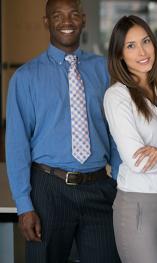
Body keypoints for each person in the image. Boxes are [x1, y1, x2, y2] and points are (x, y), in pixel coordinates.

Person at [5, 0, 120, 262]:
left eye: (73, 15)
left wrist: (119, 185)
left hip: (99, 187)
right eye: (57, 16)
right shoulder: (25, 78)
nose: (66, 22)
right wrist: (24, 206)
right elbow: (16, 146)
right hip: (48, 189)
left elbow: (116, 132)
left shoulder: (105, 70)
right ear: (47, 22)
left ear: (83, 19)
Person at [103, 15, 157, 263]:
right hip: (138, 207)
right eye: (131, 45)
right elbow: (137, 161)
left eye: (146, 41)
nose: (142, 51)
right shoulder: (117, 96)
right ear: (119, 55)